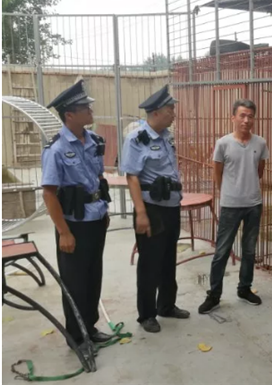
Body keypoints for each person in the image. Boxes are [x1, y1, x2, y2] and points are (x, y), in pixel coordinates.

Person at [41, 79, 113, 349]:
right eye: (85, 108)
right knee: (75, 282)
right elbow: (49, 194)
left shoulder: (93, 141)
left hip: (95, 219)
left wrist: (103, 209)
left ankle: (90, 327)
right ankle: (76, 336)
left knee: (93, 276)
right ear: (69, 115)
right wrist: (64, 232)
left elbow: (98, 178)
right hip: (73, 224)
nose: (91, 110)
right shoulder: (56, 149)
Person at [120, 85, 190, 333]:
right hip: (151, 208)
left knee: (168, 259)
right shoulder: (137, 139)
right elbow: (132, 177)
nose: (174, 114)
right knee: (150, 263)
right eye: (170, 110)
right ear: (157, 113)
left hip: (171, 206)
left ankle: (166, 305)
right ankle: (147, 314)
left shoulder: (166, 136)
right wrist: (140, 213)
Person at [198, 99, 269, 314]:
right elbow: (217, 173)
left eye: (250, 116)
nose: (246, 120)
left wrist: (247, 188)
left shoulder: (260, 143)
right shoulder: (223, 143)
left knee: (249, 250)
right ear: (233, 118)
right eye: (242, 115)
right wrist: (228, 192)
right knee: (222, 251)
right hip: (230, 205)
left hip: (253, 204)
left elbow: (259, 171)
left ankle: (244, 289)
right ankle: (214, 295)